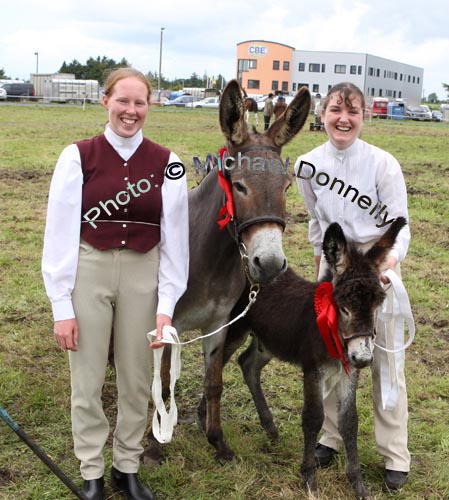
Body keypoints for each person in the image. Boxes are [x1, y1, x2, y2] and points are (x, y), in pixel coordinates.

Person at [42, 67, 189, 500]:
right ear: (106, 101)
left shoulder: (170, 163)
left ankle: (127, 467)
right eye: (122, 101)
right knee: (86, 377)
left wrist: (167, 305)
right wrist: (61, 307)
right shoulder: (77, 156)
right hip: (89, 269)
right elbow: (60, 233)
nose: (130, 110)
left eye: (139, 102)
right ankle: (91, 469)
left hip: (144, 271)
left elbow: (175, 241)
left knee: (137, 376)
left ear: (150, 105)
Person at [294, 82, 411, 491]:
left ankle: (394, 451)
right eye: (336, 110)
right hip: (334, 263)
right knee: (329, 353)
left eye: (353, 111)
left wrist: (388, 264)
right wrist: (321, 270)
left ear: (364, 116)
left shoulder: (383, 164)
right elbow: (315, 220)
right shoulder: (307, 164)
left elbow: (400, 225)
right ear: (323, 114)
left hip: (374, 263)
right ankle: (329, 435)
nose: (344, 118)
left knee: (382, 360)